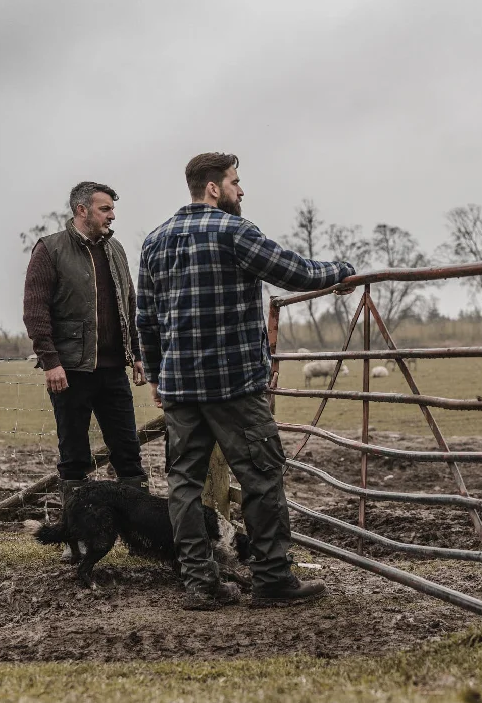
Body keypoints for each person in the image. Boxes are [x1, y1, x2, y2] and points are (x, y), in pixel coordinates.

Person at [137, 153, 356, 610]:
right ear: (214, 188)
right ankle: (273, 579)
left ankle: (200, 583)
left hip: (180, 387)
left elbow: (147, 320)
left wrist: (157, 376)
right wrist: (340, 272)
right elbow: (293, 272)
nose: (242, 191)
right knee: (261, 476)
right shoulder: (235, 232)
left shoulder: (155, 241)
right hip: (234, 384)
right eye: (236, 182)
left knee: (184, 483)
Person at [24, 181, 148, 559]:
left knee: (128, 454)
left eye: (112, 209)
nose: (112, 215)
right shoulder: (50, 250)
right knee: (74, 457)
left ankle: (139, 535)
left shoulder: (116, 250)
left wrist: (137, 354)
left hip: (112, 372)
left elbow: (130, 304)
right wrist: (51, 362)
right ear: (82, 210)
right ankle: (76, 539)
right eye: (105, 209)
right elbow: (35, 311)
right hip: (71, 372)